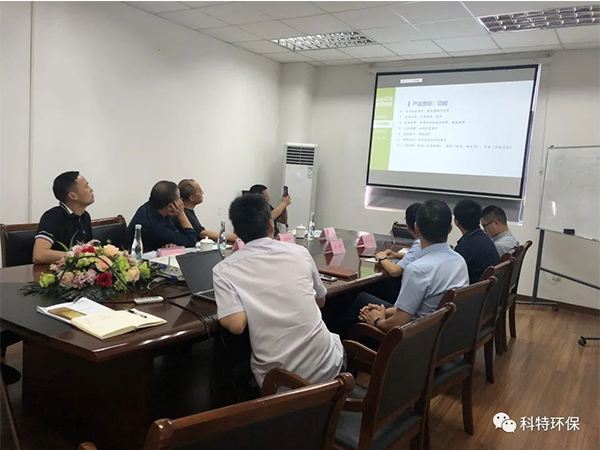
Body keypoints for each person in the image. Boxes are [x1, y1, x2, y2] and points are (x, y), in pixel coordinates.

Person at [213, 194, 344, 387]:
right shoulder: (300, 252)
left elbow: (236, 325)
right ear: (271, 225)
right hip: (329, 369)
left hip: (279, 384)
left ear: (237, 233)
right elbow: (321, 301)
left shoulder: (224, 269)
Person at [357, 200, 469, 332]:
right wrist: (384, 311)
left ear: (416, 227)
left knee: (358, 300)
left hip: (416, 337)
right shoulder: (459, 260)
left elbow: (398, 323)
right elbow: (416, 308)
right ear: (450, 229)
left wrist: (377, 320)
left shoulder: (418, 269)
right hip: (445, 332)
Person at [33, 171, 95, 264]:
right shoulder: (52, 216)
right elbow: (39, 255)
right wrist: (75, 255)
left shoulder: (84, 216)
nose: (91, 190)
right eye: (86, 186)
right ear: (73, 196)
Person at [127, 181, 198, 251]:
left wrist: (173, 243)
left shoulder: (150, 208)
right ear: (170, 206)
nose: (181, 201)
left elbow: (175, 232)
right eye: (179, 198)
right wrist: (181, 214)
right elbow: (192, 241)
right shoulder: (155, 226)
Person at [453, 199, 499, 284]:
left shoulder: (465, 248)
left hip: (474, 290)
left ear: (456, 222)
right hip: (488, 290)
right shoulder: (485, 238)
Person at [375, 202, 423, 278]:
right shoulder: (432, 241)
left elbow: (394, 271)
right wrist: (396, 255)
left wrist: (382, 258)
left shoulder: (420, 244)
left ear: (409, 226)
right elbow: (418, 256)